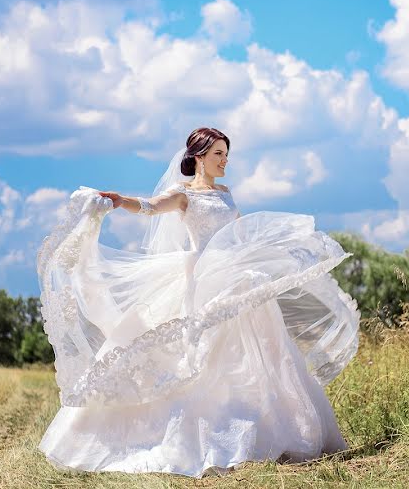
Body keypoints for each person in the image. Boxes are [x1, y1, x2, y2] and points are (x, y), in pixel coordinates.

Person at [37, 127, 360, 478]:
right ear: (199, 157)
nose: (225, 161)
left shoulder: (225, 193)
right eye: (218, 154)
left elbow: (238, 234)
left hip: (235, 281)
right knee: (197, 359)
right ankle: (198, 439)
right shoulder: (183, 195)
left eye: (226, 154)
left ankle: (265, 432)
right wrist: (118, 200)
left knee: (262, 356)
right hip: (200, 282)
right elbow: (149, 207)